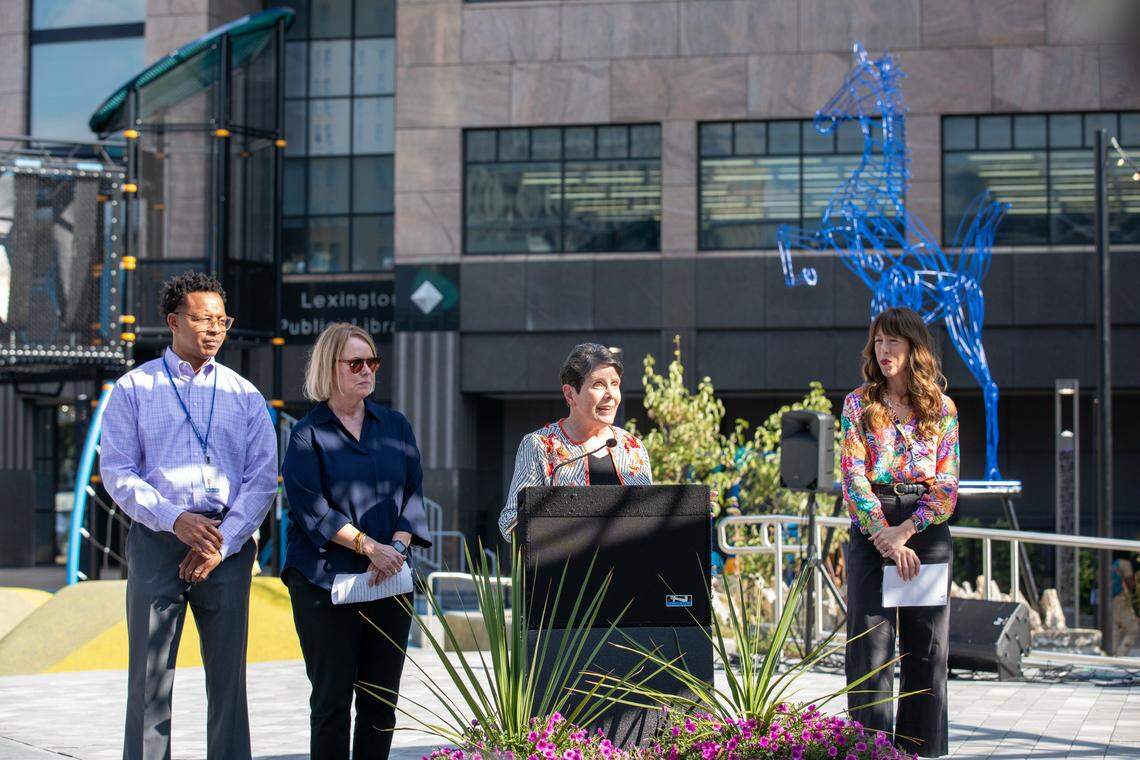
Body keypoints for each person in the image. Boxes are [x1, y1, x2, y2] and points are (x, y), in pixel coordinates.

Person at [100, 271, 278, 760]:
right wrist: (175, 519)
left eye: (222, 321)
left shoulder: (246, 395)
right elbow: (117, 471)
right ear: (173, 321)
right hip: (158, 542)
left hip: (228, 546)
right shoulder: (133, 388)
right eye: (203, 319)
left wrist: (222, 542)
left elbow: (263, 479)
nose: (215, 330)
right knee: (150, 680)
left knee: (228, 681)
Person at [281, 322, 431, 760]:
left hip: (388, 579)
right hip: (324, 584)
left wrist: (397, 551)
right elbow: (313, 511)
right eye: (356, 363)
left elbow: (412, 494)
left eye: (373, 362)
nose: (367, 371)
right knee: (331, 702)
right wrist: (371, 547)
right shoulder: (308, 434)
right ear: (332, 368)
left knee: (381, 702)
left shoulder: (396, 426)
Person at [841, 306, 960, 758]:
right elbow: (852, 479)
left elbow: (947, 487)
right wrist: (884, 536)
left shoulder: (942, 409)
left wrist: (905, 532)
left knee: (927, 649)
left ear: (914, 347)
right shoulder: (858, 403)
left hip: (924, 529)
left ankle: (920, 750)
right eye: (878, 341)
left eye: (894, 341)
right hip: (874, 527)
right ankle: (868, 751)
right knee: (870, 649)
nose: (884, 350)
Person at [498, 343, 653, 539]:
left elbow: (651, 515)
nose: (611, 395)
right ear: (570, 394)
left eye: (615, 384)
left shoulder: (633, 447)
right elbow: (510, 522)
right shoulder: (540, 445)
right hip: (565, 566)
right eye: (599, 385)